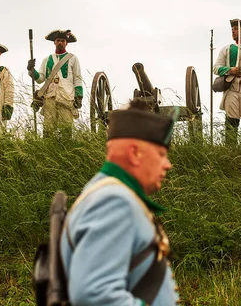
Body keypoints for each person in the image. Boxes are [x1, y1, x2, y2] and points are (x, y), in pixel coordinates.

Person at [60, 100, 179, 305]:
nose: (167, 164)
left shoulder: (106, 193)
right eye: (161, 154)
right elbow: (93, 293)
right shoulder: (114, 201)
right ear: (134, 153)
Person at [27, 29, 83, 139]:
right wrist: (31, 70)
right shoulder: (47, 59)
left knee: (66, 127)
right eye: (58, 40)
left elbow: (77, 79)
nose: (60, 43)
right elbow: (40, 79)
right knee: (48, 128)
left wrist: (79, 95)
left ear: (66, 43)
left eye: (62, 40)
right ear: (54, 42)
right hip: (50, 97)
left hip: (66, 97)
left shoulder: (73, 58)